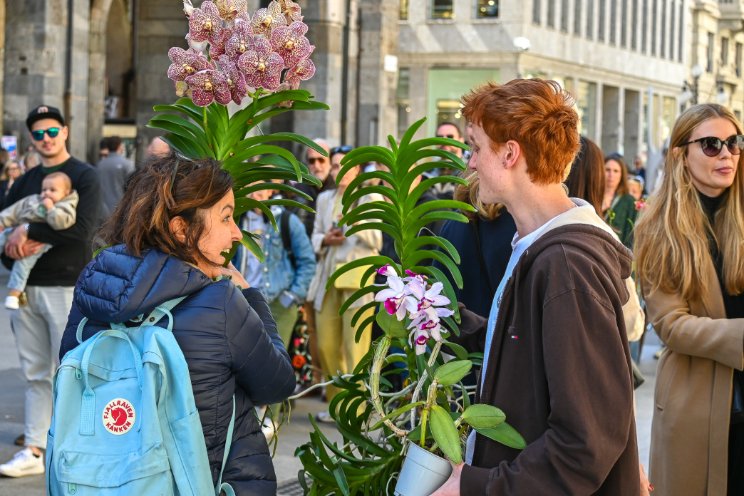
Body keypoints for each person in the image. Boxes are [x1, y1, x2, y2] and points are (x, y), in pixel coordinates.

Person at [432, 79, 643, 495]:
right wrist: (443, 317)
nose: (470, 163)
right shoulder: (542, 246)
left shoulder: (567, 265)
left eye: (475, 147)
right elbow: (531, 357)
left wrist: (475, 487)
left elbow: (584, 443)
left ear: (510, 153)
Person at [57, 155, 296, 493]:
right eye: (226, 218)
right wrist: (251, 296)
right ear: (181, 229)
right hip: (208, 481)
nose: (237, 233)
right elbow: (278, 383)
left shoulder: (94, 290)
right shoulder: (221, 303)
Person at [634, 103, 744, 496]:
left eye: (734, 143)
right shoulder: (658, 229)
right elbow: (671, 325)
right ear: (681, 153)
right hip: (697, 406)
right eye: (711, 145)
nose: (727, 154)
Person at [0, 104, 100, 477]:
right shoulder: (25, 181)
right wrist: (11, 247)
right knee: (35, 371)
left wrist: (29, 233)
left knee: (72, 369)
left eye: (52, 131)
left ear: (65, 131)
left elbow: (84, 228)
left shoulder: (84, 175)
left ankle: (78, 444)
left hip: (66, 285)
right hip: (24, 289)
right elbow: (6, 224)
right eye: (38, 134)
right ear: (31, 139)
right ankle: (34, 447)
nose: (46, 139)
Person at [306, 145, 382, 422]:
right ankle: (337, 403)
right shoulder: (325, 198)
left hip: (357, 281)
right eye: (336, 166)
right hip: (328, 279)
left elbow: (376, 240)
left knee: (355, 348)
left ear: (357, 170)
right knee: (326, 346)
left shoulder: (370, 197)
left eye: (345, 166)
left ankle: (358, 408)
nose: (340, 171)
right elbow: (314, 235)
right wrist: (327, 238)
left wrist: (351, 221)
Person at [0, 172, 78, 309]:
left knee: (23, 264)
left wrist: (50, 209)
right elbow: (14, 211)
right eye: (44, 189)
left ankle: (13, 295)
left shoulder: (65, 206)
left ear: (66, 193)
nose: (46, 193)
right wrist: (2, 221)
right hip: (15, 231)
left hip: (38, 241)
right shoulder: (33, 200)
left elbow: (61, 223)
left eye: (52, 190)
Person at [602, 152, 637, 248]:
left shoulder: (629, 202)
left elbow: (631, 236)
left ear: (622, 174)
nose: (611, 175)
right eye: (607, 170)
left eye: (616, 171)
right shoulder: (593, 195)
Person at [96, 135, 135, 218]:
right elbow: (132, 187)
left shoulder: (99, 165)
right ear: (119, 146)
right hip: (121, 208)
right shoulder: (127, 164)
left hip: (101, 209)